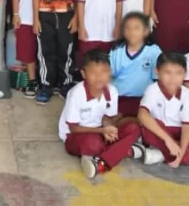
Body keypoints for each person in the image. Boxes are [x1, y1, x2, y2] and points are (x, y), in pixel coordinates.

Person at [59, 50, 142, 180]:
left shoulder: (112, 91)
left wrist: (110, 130)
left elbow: (107, 118)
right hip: (75, 136)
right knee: (93, 143)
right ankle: (124, 151)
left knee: (133, 128)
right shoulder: (76, 94)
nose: (100, 77)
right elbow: (73, 128)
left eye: (104, 71)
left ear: (110, 72)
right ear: (84, 74)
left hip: (99, 130)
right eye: (94, 72)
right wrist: (102, 130)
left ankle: (100, 161)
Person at [137, 52, 189, 169]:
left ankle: (162, 154)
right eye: (167, 73)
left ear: (185, 74)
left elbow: (187, 127)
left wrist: (180, 154)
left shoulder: (187, 94)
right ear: (157, 71)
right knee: (145, 129)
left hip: (180, 131)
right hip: (161, 132)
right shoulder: (153, 90)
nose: (173, 78)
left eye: (178, 73)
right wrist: (168, 141)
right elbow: (142, 114)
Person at [108, 13, 162, 118]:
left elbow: (158, 79)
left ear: (146, 31)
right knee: (114, 123)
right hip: (120, 98)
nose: (132, 32)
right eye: (128, 28)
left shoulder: (153, 51)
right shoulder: (117, 50)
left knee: (144, 121)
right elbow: (109, 74)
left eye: (136, 28)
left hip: (144, 98)